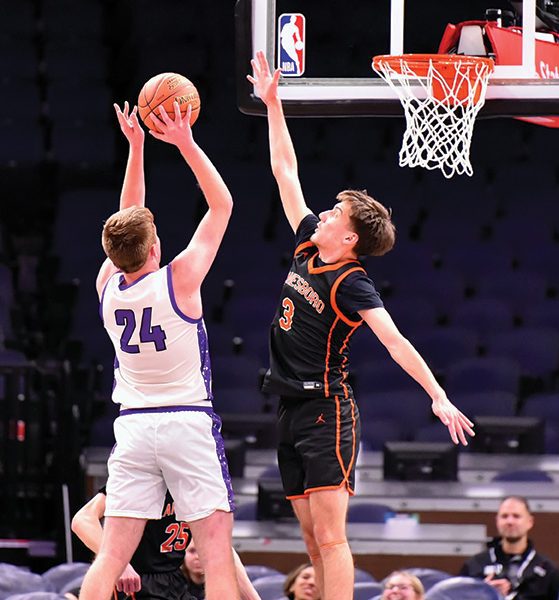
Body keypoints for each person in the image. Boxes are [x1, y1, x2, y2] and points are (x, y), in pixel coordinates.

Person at [247, 50, 475, 600]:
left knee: (329, 537)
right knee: (308, 538)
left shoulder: (352, 282)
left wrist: (438, 395)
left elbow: (395, 341)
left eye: (334, 214)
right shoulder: (308, 246)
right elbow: (285, 172)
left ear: (349, 238)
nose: (322, 214)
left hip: (327, 409)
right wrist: (274, 104)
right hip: (289, 406)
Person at [78, 99, 239, 600]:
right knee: (215, 551)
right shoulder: (181, 280)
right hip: (185, 420)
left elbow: (127, 218)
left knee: (110, 554)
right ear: (155, 250)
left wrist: (136, 148)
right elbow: (222, 205)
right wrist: (185, 142)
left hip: (132, 426)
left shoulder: (107, 286)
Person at [72, 488, 259, 599]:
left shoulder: (197, 485)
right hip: (135, 583)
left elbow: (221, 550)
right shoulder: (142, 477)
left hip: (174, 580)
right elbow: (82, 519)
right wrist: (118, 562)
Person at [460, 495, 559, 599]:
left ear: (530, 522)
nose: (510, 522)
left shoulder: (548, 571)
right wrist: (483, 593)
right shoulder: (474, 565)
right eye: (504, 516)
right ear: (497, 521)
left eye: (516, 516)